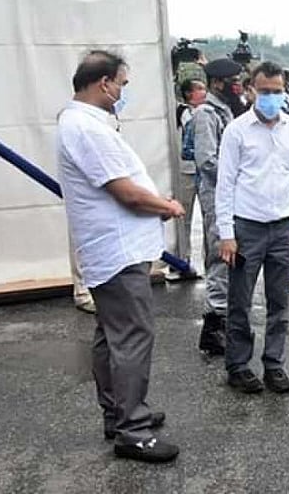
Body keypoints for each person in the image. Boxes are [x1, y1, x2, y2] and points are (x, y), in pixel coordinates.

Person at [56, 51, 183, 463]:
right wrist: (165, 206)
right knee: (131, 337)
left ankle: (119, 412)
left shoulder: (84, 123)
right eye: (122, 85)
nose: (122, 92)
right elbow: (124, 192)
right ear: (103, 82)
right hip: (117, 250)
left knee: (111, 335)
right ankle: (133, 429)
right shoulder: (85, 128)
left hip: (112, 249)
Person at [216, 61, 289, 394]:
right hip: (247, 229)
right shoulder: (237, 130)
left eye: (277, 91)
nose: (271, 97)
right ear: (250, 90)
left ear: (285, 91)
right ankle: (238, 365)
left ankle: (274, 364)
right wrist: (227, 235)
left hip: (283, 227)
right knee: (240, 301)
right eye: (264, 91)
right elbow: (225, 184)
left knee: (279, 301)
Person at [192, 58, 243, 356]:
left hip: (235, 194)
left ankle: (226, 321)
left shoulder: (230, 110)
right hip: (217, 194)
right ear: (217, 82)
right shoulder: (206, 115)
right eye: (233, 80)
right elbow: (207, 160)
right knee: (219, 255)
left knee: (233, 256)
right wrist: (237, 176)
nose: (237, 85)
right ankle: (214, 325)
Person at [167, 78, 206, 282]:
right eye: (199, 89)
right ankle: (182, 261)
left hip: (205, 170)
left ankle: (210, 261)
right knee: (184, 217)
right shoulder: (183, 112)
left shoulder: (210, 111)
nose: (203, 92)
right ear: (189, 94)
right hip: (186, 170)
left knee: (210, 218)